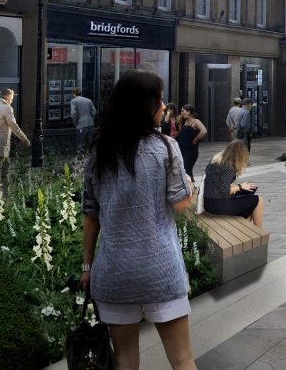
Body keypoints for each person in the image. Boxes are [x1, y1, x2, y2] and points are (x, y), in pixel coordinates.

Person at [80, 69, 196, 369]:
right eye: (159, 99)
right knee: (182, 358)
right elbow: (181, 203)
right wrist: (190, 185)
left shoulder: (98, 151)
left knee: (126, 361)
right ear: (145, 106)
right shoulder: (165, 148)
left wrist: (86, 266)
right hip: (160, 271)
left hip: (114, 273)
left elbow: (90, 214)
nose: (164, 106)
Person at [202, 140, 263, 229]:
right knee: (258, 200)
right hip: (217, 205)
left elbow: (218, 185)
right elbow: (224, 192)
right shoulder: (229, 166)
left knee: (250, 200)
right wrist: (240, 186)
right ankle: (260, 232)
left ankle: (246, 231)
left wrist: (239, 187)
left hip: (209, 203)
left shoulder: (216, 161)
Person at [0, 88, 29, 195]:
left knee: (5, 166)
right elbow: (14, 127)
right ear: (8, 96)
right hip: (1, 145)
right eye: (12, 97)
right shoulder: (7, 108)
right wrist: (25, 140)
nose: (12, 100)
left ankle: (5, 193)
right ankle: (2, 195)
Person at [177, 105, 207, 181]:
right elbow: (181, 134)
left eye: (182, 111)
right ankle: (190, 188)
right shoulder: (185, 121)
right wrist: (180, 123)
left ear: (188, 112)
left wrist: (195, 140)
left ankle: (191, 188)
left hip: (190, 151)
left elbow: (204, 131)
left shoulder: (196, 121)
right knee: (183, 170)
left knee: (187, 170)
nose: (181, 113)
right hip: (182, 149)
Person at [70, 88, 97, 155]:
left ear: (74, 93)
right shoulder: (88, 100)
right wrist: (91, 119)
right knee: (90, 143)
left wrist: (75, 123)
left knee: (80, 144)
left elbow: (73, 114)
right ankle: (90, 158)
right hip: (90, 123)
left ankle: (80, 159)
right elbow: (94, 111)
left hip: (81, 124)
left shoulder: (73, 101)